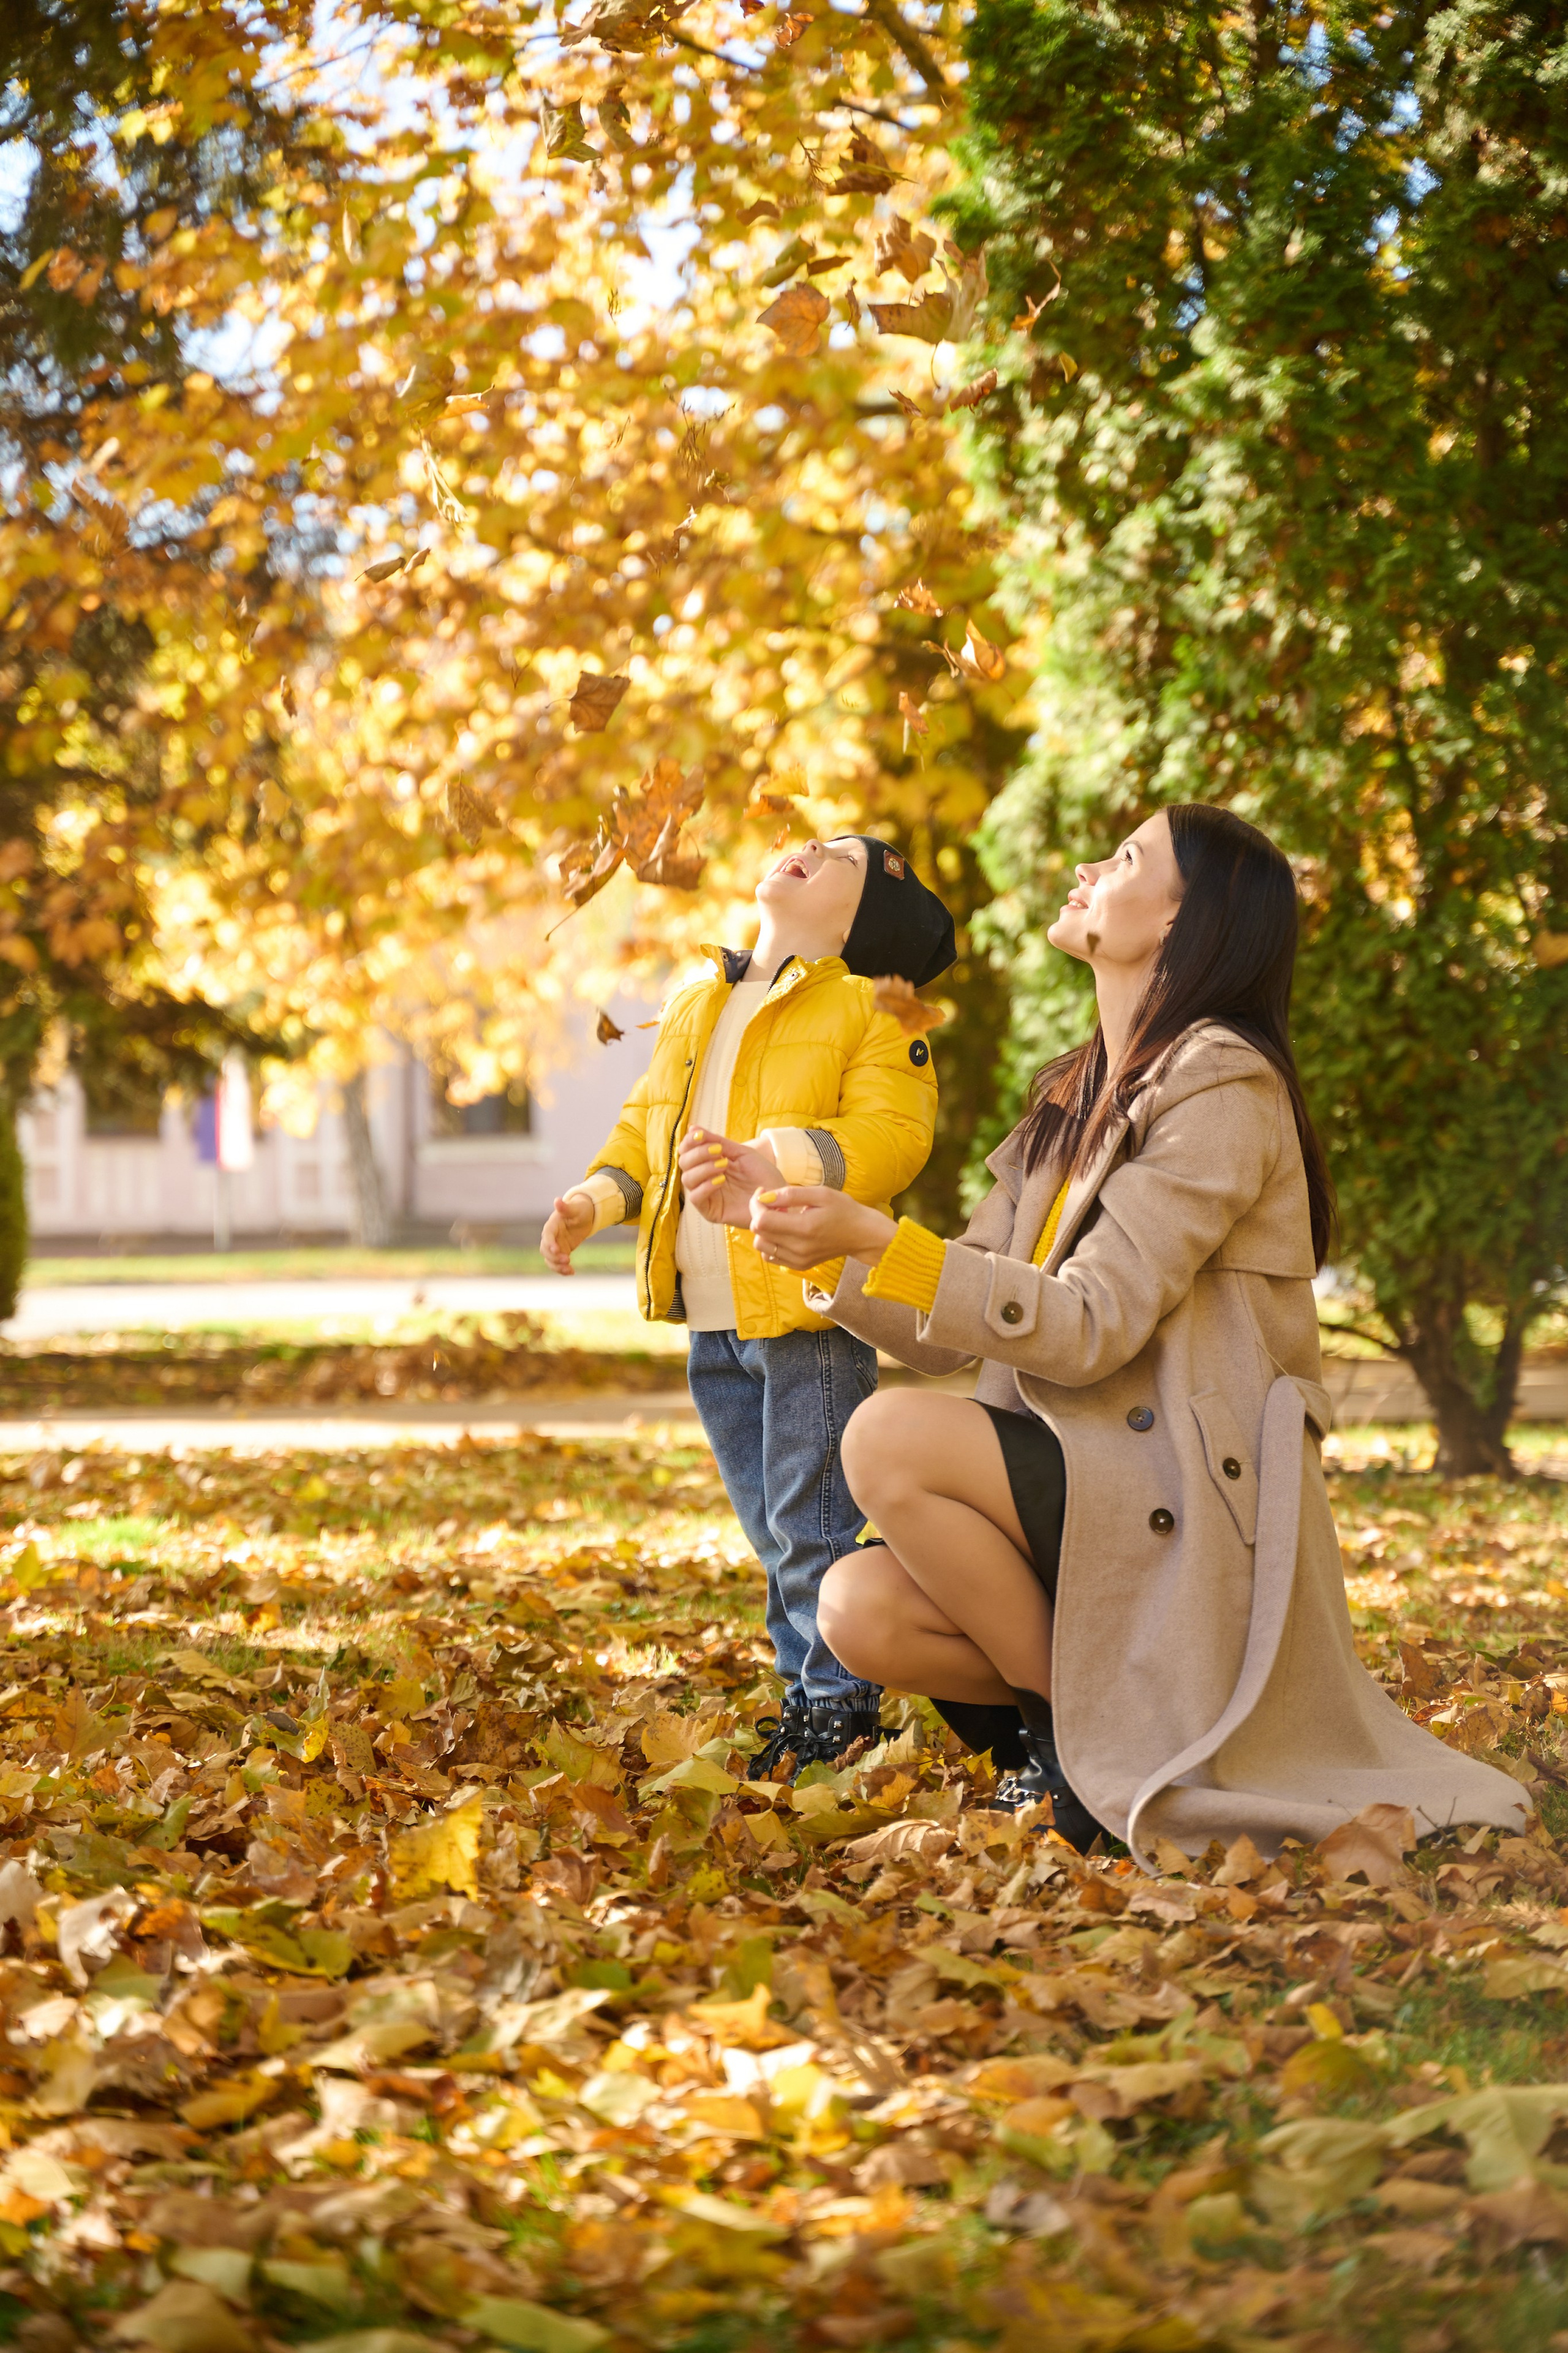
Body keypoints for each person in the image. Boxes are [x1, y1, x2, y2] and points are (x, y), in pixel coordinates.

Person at [747, 804, 1530, 1862]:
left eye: (1124, 859)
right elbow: (948, 1328)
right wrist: (818, 1245)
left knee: (886, 1437)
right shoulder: (1072, 1095)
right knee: (856, 1608)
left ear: (1179, 921)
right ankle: (1080, 1734)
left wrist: (884, 1238)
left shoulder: (1225, 1083)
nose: (1086, 867)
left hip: (1178, 1497)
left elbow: (1090, 1325)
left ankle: (1073, 1757)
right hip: (1085, 1473)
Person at [543, 836, 956, 1779]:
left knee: (814, 1526)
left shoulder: (869, 1007)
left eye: (840, 857)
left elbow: (893, 1134)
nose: (806, 844)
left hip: (806, 1313)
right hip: (715, 1319)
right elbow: (647, 1127)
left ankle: (839, 1707)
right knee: (772, 1528)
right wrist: (596, 1200)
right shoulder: (700, 998)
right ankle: (807, 1693)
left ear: (859, 923)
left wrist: (784, 1160)